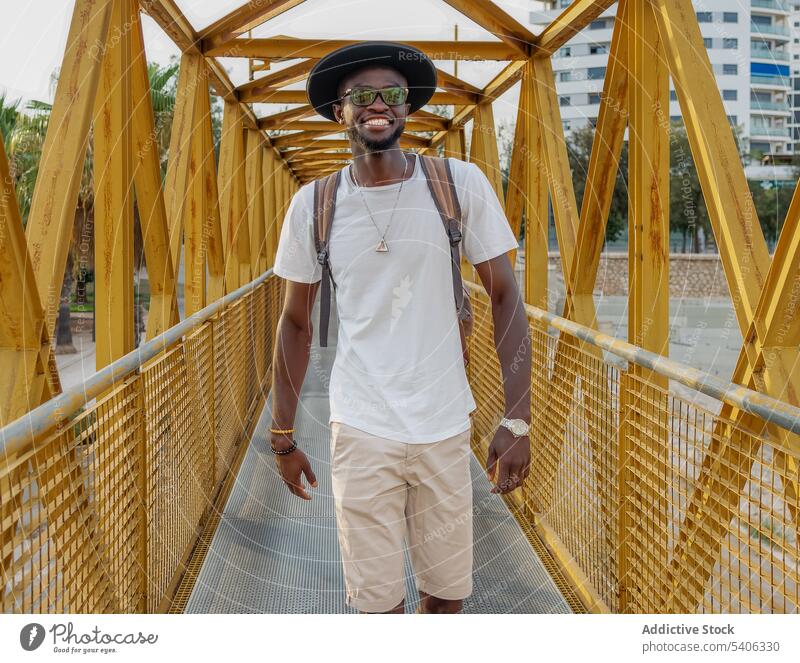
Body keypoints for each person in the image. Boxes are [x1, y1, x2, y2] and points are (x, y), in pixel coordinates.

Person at [269, 41, 532, 614]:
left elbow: (507, 295)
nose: (377, 105)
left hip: (442, 426)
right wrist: (283, 434)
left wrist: (517, 417)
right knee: (377, 608)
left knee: (446, 601)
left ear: (407, 107)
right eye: (360, 96)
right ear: (339, 112)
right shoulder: (314, 205)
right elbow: (294, 321)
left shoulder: (456, 185)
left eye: (391, 94)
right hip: (361, 428)